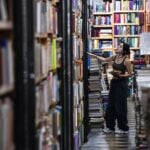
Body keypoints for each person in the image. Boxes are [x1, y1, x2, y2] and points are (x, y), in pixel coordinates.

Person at [88, 42, 132, 134]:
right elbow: (104, 59)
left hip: (121, 84)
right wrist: (94, 56)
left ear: (124, 50)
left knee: (120, 106)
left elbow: (130, 74)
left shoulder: (126, 60)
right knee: (110, 105)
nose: (117, 47)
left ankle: (123, 128)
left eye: (120, 46)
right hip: (114, 83)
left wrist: (121, 75)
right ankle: (110, 127)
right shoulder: (115, 57)